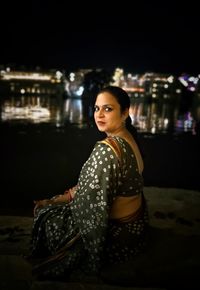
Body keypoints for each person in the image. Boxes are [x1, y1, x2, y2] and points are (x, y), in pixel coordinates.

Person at [28, 85, 149, 280]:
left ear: (125, 112)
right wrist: (68, 196)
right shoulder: (130, 138)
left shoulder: (107, 150)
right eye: (96, 108)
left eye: (108, 109)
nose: (99, 114)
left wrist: (54, 202)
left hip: (117, 240)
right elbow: (95, 188)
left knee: (46, 216)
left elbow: (90, 205)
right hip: (136, 231)